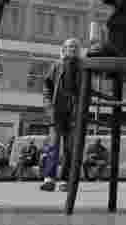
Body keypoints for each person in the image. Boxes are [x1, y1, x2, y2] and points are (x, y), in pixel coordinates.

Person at [41, 38, 80, 192]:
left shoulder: (82, 67)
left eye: (75, 46)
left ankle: (65, 180)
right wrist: (49, 107)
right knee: (53, 147)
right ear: (64, 49)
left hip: (73, 114)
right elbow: (47, 89)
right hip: (56, 113)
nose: (72, 49)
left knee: (70, 149)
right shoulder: (56, 66)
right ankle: (49, 179)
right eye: (70, 46)